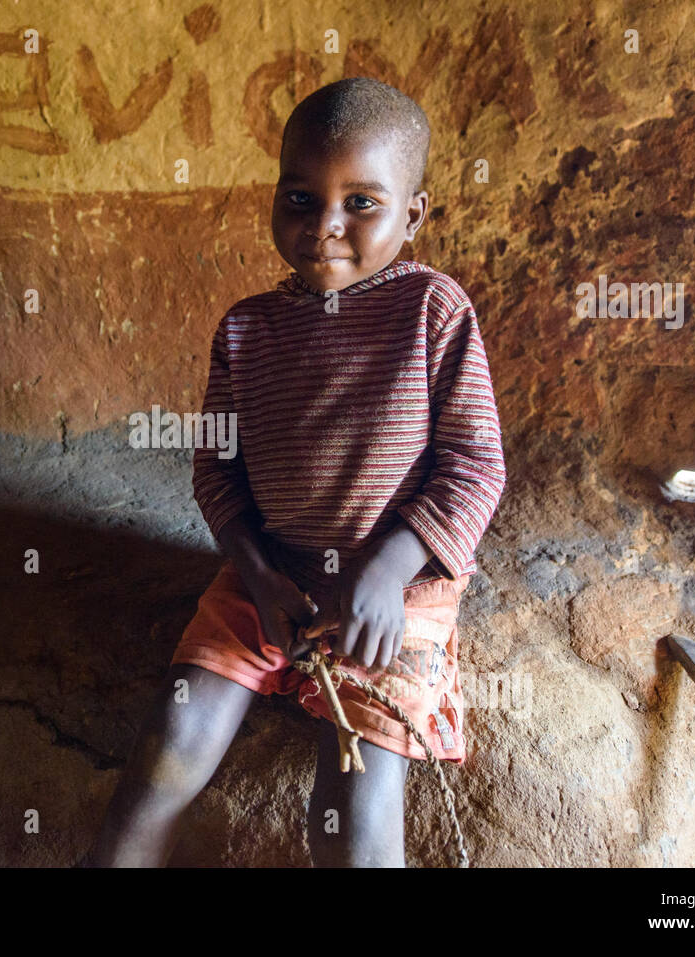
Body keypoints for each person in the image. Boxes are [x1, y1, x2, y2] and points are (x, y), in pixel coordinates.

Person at [87, 77, 507, 867]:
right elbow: (217, 471)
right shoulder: (247, 329)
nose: (326, 228)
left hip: (398, 589)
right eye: (302, 199)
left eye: (363, 204)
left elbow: (474, 465)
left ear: (413, 214)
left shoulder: (433, 311)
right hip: (271, 574)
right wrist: (255, 575)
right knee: (170, 743)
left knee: (352, 802)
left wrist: (386, 572)